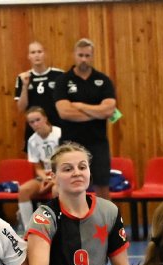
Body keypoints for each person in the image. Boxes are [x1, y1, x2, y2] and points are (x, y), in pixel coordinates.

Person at [54, 38, 117, 198]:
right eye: (80, 55)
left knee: (102, 186)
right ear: (74, 55)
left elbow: (109, 110)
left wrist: (80, 106)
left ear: (92, 56)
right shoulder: (63, 81)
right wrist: (97, 112)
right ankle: (68, 215)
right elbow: (65, 112)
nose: (83, 59)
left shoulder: (103, 81)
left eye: (87, 55)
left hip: (98, 143)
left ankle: (105, 215)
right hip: (70, 144)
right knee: (67, 186)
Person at [13, 41, 65, 150]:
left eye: (39, 52)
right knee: (35, 158)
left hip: (56, 125)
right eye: (33, 52)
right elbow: (21, 108)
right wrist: (25, 86)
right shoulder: (22, 77)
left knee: (62, 156)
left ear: (44, 54)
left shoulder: (59, 75)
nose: (36, 55)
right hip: (34, 127)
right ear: (29, 56)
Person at [18, 107, 63, 230]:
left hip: (61, 174)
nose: (35, 124)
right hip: (47, 175)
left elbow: (67, 161)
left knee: (56, 190)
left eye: (38, 120)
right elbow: (38, 168)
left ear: (45, 118)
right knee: (23, 190)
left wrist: (54, 181)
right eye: (31, 122)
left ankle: (59, 227)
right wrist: (46, 179)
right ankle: (29, 229)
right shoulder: (32, 140)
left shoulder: (59, 133)